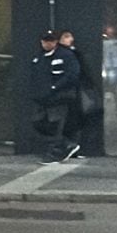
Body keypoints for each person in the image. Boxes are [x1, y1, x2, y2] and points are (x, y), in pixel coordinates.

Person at [29, 29, 81, 162]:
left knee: (55, 124)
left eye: (50, 41)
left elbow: (72, 75)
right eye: (45, 41)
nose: (47, 44)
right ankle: (67, 145)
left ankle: (55, 153)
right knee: (39, 123)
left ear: (56, 41)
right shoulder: (39, 57)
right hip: (43, 98)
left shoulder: (65, 55)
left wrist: (56, 87)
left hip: (61, 97)